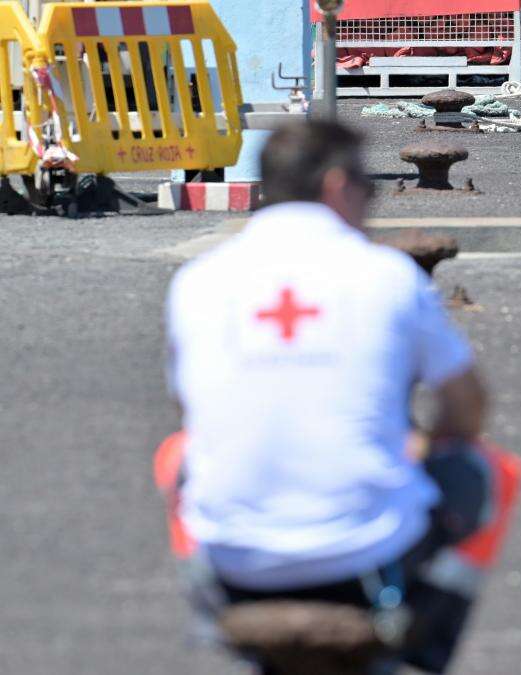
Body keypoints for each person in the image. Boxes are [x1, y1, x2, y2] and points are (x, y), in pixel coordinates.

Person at [164, 120, 491, 672]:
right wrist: (414, 444)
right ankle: (421, 652)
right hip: (363, 553)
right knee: (484, 470)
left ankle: (219, 621)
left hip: (235, 560)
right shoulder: (386, 275)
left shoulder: (198, 280)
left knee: (175, 456)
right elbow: (468, 411)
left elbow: (196, 412)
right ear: (339, 185)